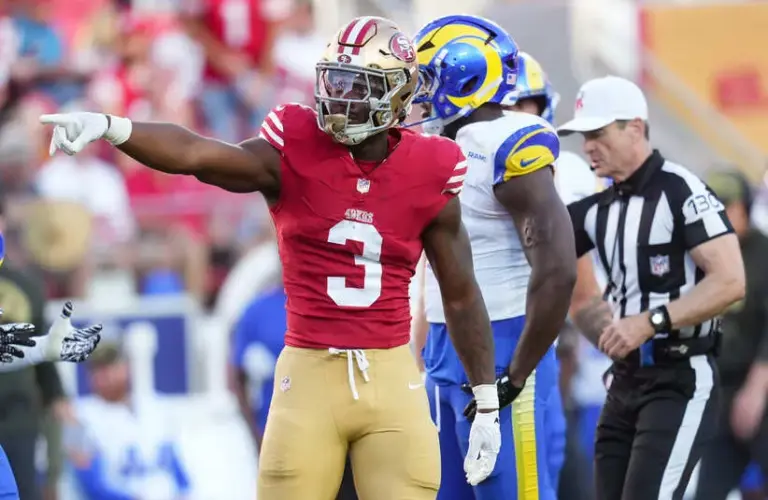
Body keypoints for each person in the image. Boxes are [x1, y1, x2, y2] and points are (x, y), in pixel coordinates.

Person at [40, 16, 503, 499]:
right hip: (308, 375)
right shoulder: (294, 146)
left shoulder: (432, 167)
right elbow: (198, 154)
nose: (340, 97)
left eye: (358, 85)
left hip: (389, 374)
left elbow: (460, 294)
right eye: (335, 80)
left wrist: (487, 400)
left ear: (398, 93)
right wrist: (113, 126)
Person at [413, 17, 577, 500]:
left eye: (426, 80)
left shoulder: (507, 141)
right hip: (444, 347)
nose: (417, 95)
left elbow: (559, 269)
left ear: (461, 79)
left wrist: (517, 373)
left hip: (504, 343)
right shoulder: (442, 146)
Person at [562, 75, 746, 499]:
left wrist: (650, 322)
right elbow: (569, 285)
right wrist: (612, 336)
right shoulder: (598, 207)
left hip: (679, 376)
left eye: (598, 133)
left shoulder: (681, 189)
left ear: (635, 128)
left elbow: (731, 280)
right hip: (624, 380)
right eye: (584, 136)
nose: (588, 146)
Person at [693, 169, 768, 500]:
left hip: (758, 389)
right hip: (722, 393)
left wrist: (756, 389)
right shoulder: (705, 256)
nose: (718, 216)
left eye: (726, 206)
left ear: (744, 208)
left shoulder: (764, 254)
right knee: (708, 491)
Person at [66, 342, 191, 499]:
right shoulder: (77, 418)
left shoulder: (155, 406)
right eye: (98, 370)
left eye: (111, 367)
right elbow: (92, 487)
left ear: (126, 367)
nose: (106, 376)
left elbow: (177, 471)